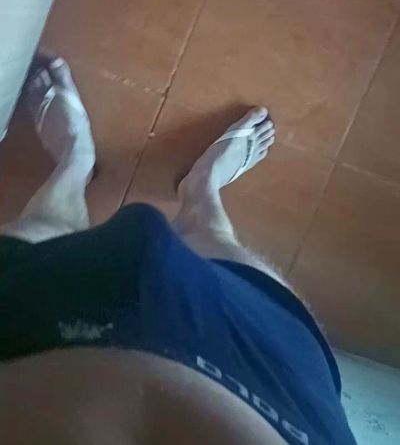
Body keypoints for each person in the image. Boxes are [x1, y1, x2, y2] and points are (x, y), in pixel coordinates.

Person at [0, 54, 356, 445]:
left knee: (45, 230)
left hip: (14, 334)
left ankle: (74, 162)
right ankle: (202, 188)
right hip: (277, 396)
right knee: (217, 240)